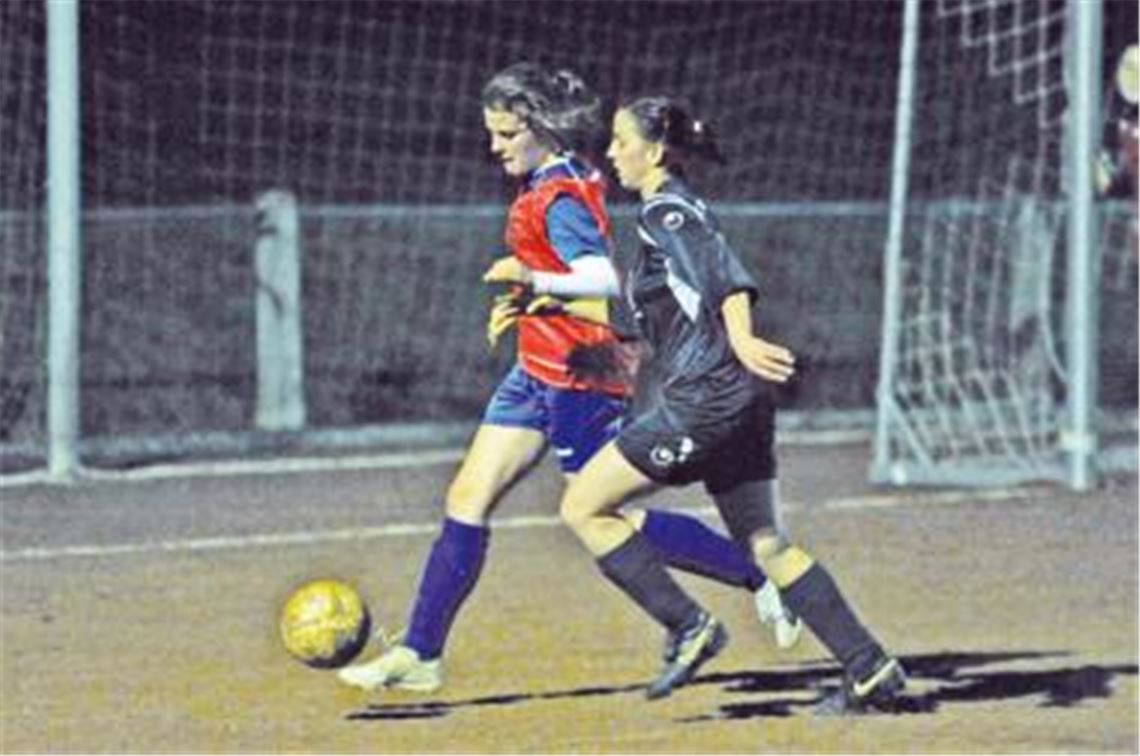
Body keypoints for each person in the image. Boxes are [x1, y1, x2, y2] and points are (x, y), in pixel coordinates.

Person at [337, 64, 799, 695]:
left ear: (540, 129)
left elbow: (601, 277)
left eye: (505, 133)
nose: (495, 145)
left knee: (594, 507)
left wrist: (535, 283)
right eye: (492, 132)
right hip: (539, 364)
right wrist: (533, 305)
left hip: (586, 367)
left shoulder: (559, 194)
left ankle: (752, 580)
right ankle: (421, 652)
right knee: (466, 496)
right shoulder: (550, 179)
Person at [546, 95, 906, 712]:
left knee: (583, 505)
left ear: (654, 151)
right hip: (737, 402)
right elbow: (659, 314)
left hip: (707, 400)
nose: (610, 153)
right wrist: (561, 312)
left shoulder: (668, 211)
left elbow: (722, 274)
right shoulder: (669, 213)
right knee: (764, 542)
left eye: (620, 140)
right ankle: (869, 666)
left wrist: (740, 339)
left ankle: (689, 625)